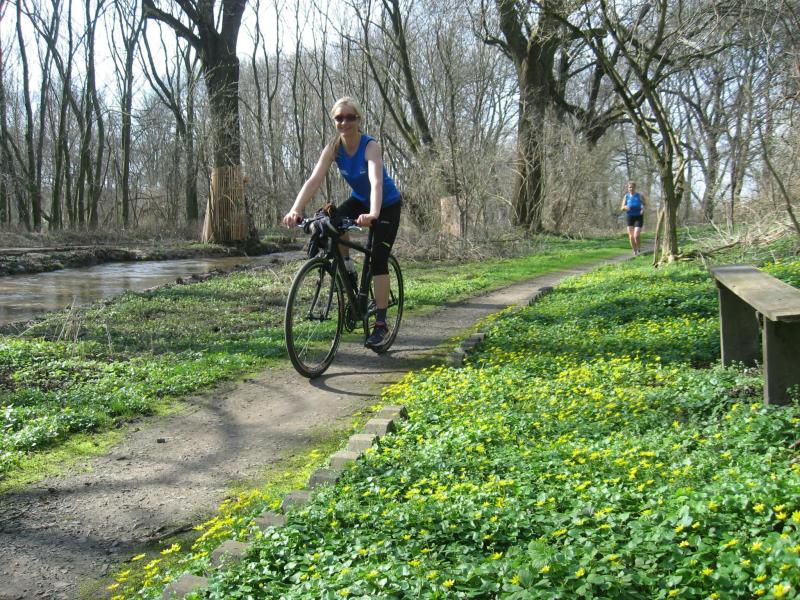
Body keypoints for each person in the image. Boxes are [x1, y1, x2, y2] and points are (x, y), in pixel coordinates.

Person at [283, 97, 402, 351]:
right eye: (339, 118)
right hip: (360, 200)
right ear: (334, 121)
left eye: (350, 117)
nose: (344, 122)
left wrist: (373, 213)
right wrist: (295, 209)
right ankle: (348, 269)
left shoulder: (370, 146)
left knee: (378, 260)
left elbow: (376, 182)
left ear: (358, 119)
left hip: (386, 205)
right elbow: (314, 180)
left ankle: (381, 323)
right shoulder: (334, 148)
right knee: (329, 222)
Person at [620, 180, 646, 255]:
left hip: (638, 216)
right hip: (630, 216)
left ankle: (639, 248)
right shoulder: (626, 196)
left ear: (635, 187)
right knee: (631, 236)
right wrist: (625, 207)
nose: (631, 189)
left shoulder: (640, 195)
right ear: (628, 188)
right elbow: (621, 208)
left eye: (632, 187)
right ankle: (635, 252)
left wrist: (642, 209)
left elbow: (644, 204)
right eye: (629, 187)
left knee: (636, 235)